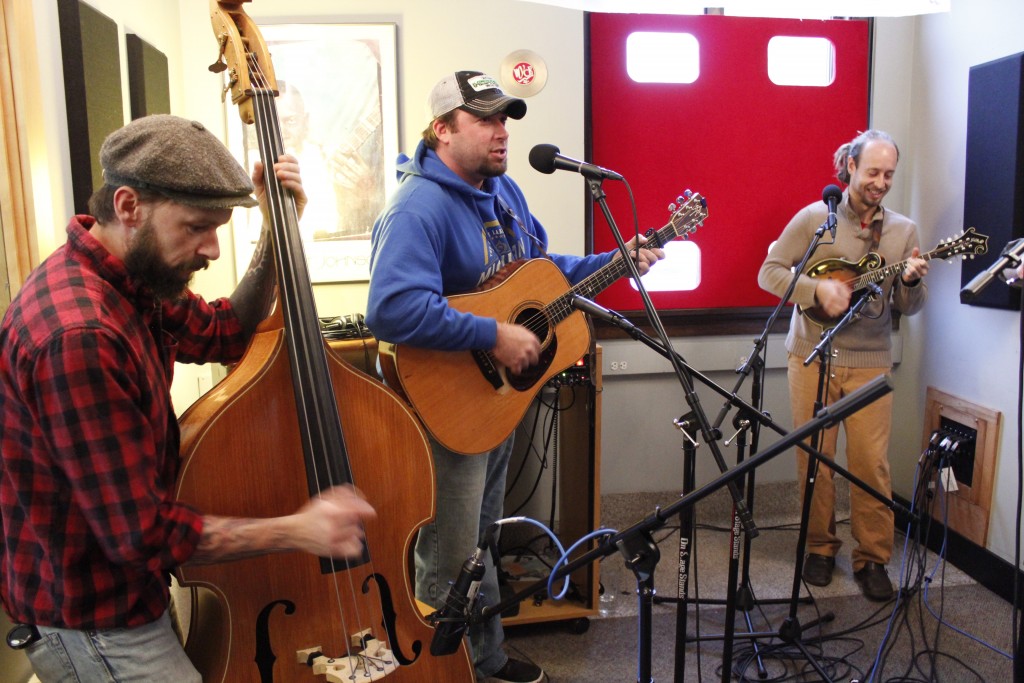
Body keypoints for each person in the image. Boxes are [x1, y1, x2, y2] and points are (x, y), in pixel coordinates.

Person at [0, 114, 376, 681]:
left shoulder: (135, 280)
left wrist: (278, 229)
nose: (212, 249)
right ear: (129, 206)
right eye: (198, 227)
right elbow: (140, 534)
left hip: (131, 591)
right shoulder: (81, 336)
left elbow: (224, 330)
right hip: (94, 614)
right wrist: (297, 529)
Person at [365, 71, 664, 683]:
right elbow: (390, 310)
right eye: (486, 120)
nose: (502, 134)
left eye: (506, 120)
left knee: (478, 541)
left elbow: (541, 273)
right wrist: (492, 335)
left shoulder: (504, 195)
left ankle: (487, 659)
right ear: (442, 130)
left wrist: (614, 262)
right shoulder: (417, 208)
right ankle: (441, 671)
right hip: (447, 408)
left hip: (493, 402)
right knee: (447, 555)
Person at [757, 129, 929, 602]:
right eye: (872, 171)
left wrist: (911, 282)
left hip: (870, 362)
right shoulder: (816, 218)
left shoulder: (903, 232)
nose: (880, 182)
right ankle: (819, 547)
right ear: (849, 167)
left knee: (871, 465)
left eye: (889, 174)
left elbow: (909, 308)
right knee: (815, 458)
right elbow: (769, 271)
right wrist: (817, 291)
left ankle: (872, 559)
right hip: (811, 355)